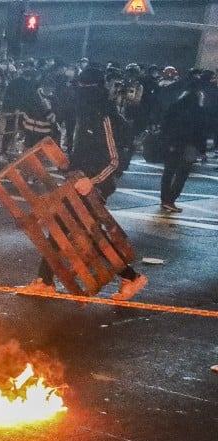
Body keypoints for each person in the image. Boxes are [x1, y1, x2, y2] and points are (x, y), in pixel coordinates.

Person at [23, 67, 147, 301]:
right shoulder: (84, 113)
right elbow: (81, 150)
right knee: (62, 225)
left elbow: (114, 159)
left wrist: (93, 182)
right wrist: (70, 169)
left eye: (84, 88)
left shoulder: (104, 116)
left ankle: (130, 277)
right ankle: (45, 280)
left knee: (86, 234)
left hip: (94, 185)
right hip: (78, 181)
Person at [159, 86, 204, 213]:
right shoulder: (196, 111)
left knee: (168, 171)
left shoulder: (174, 107)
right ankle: (171, 199)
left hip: (172, 144)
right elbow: (199, 132)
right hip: (187, 145)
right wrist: (202, 149)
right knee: (182, 174)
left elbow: (165, 125)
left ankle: (165, 199)